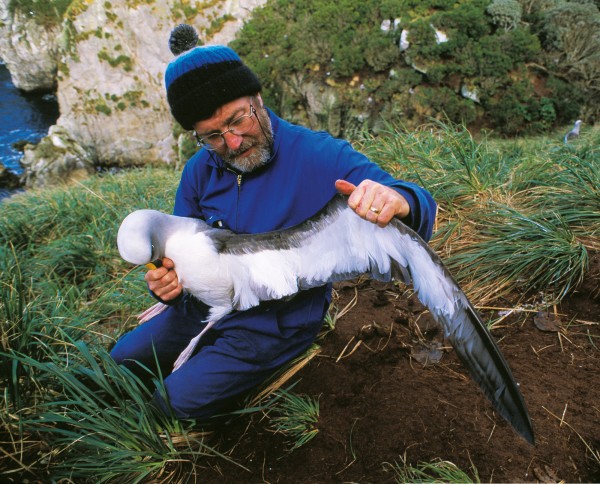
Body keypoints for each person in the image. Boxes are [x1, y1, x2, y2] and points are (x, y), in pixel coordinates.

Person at [110, 25, 437, 421]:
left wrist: (398, 200)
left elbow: (414, 206)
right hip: (204, 307)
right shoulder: (199, 171)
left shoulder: (318, 155)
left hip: (276, 322)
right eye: (212, 136)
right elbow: (178, 263)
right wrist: (170, 289)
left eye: (238, 120)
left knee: (171, 404)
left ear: (257, 99)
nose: (231, 143)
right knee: (121, 362)